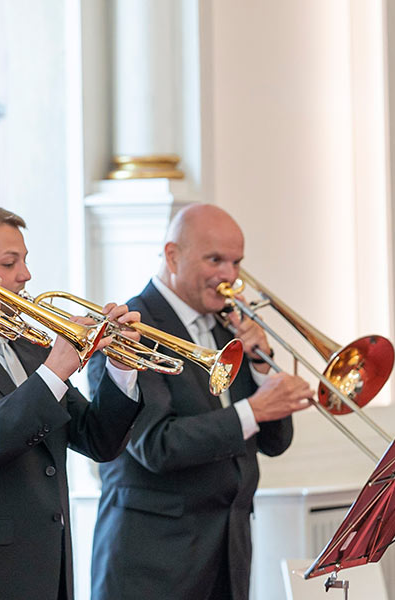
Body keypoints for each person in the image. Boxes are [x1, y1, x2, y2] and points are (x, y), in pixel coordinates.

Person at [88, 203, 314, 600]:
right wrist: (254, 409)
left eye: (236, 262)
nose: (229, 275)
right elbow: (156, 446)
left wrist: (262, 367)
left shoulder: (229, 326)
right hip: (153, 564)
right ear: (173, 255)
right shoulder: (131, 328)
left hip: (228, 554)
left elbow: (275, 442)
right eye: (215, 260)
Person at [0, 204, 144, 600]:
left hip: (48, 565)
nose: (26, 275)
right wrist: (56, 370)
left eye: (24, 260)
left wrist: (121, 369)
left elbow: (98, 440)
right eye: (10, 263)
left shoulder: (27, 346)